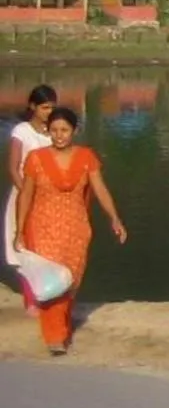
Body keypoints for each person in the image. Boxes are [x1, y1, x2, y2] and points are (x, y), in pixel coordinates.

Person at [14, 106, 128, 355]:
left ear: (74, 131)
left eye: (64, 130)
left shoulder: (86, 158)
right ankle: (55, 337)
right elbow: (26, 195)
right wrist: (19, 230)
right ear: (48, 131)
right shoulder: (36, 158)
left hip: (76, 229)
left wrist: (115, 218)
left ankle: (61, 326)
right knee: (52, 282)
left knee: (71, 281)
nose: (59, 135)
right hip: (43, 228)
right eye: (54, 130)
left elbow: (100, 189)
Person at [6, 84, 57, 276]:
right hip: (24, 192)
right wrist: (27, 194)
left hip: (48, 196)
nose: (49, 112)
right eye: (45, 107)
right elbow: (13, 168)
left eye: (52, 107)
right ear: (33, 106)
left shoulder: (54, 132)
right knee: (23, 242)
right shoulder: (22, 131)